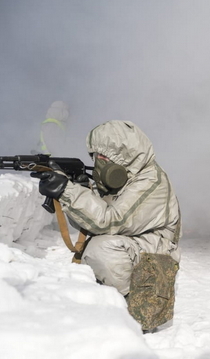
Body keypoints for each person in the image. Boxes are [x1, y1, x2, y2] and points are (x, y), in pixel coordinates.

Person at [31, 120, 181, 330]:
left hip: (156, 255)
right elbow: (89, 223)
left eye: (102, 156)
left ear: (122, 156)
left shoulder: (151, 182)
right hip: (136, 247)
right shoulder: (126, 177)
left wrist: (67, 190)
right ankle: (104, 303)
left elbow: (109, 221)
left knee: (102, 248)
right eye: (95, 156)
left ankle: (131, 311)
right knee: (98, 246)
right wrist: (81, 190)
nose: (97, 161)